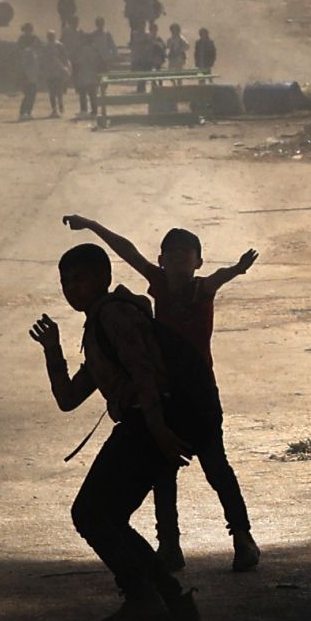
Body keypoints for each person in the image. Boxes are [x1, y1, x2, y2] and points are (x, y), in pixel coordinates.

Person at [29, 244, 208, 621]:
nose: (72, 289)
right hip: (144, 425)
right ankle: (172, 601)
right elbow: (68, 399)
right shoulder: (98, 327)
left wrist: (158, 430)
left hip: (148, 422)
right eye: (65, 282)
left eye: (80, 279)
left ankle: (144, 599)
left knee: (91, 514)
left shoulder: (115, 315)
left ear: (104, 278)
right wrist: (53, 351)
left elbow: (145, 373)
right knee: (107, 517)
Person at [64, 218, 259, 572]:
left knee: (215, 466)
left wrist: (237, 269)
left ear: (198, 262)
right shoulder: (159, 284)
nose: (178, 259)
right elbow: (127, 251)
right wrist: (93, 226)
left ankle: (242, 536)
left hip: (199, 391)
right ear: (162, 260)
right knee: (162, 474)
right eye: (171, 254)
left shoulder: (201, 289)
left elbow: (221, 276)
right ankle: (169, 544)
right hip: (164, 391)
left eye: (186, 254)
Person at [17, 23, 42, 121]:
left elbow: (40, 49)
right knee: (28, 93)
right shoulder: (22, 41)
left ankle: (29, 112)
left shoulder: (35, 39)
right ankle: (23, 112)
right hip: (26, 72)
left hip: (34, 71)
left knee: (33, 93)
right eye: (27, 30)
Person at [44, 29, 69, 117]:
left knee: (59, 91)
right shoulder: (46, 46)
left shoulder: (59, 45)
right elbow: (43, 59)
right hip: (49, 72)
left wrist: (66, 68)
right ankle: (54, 109)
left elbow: (65, 57)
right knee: (51, 92)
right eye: (49, 36)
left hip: (58, 71)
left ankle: (60, 105)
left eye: (52, 35)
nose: (50, 37)